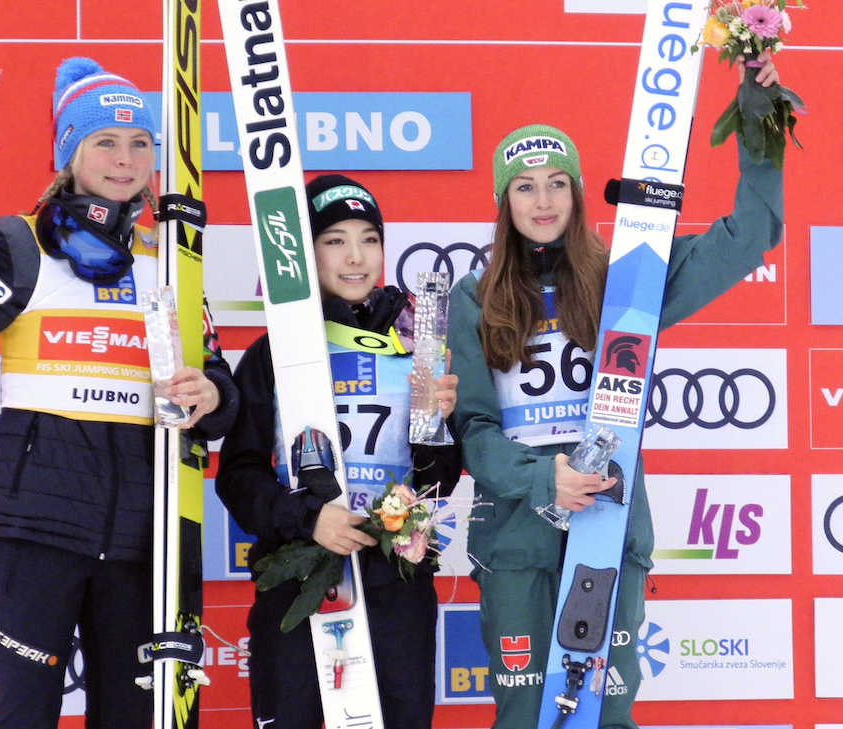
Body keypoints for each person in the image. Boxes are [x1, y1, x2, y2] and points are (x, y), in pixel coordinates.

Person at [0, 57, 238, 729]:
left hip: (141, 541)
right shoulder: (17, 243)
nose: (125, 160)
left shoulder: (174, 257)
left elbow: (218, 385)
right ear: (69, 152)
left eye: (140, 143)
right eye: (104, 141)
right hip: (34, 530)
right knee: (25, 718)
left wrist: (212, 393)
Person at [447, 55, 784, 729]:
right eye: (525, 187)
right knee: (524, 716)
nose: (542, 201)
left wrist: (758, 115)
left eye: (557, 184)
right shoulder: (473, 299)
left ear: (575, 194)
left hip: (609, 523)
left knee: (606, 716)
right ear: (503, 202)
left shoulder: (624, 282)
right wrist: (547, 478)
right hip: (516, 537)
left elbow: (750, 236)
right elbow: (475, 434)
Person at [216, 174, 461, 729]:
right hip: (296, 577)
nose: (356, 257)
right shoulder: (274, 352)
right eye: (335, 240)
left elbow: (439, 482)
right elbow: (240, 475)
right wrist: (308, 519)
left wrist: (437, 426)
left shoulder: (417, 345)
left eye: (369, 238)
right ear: (307, 254)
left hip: (396, 578)